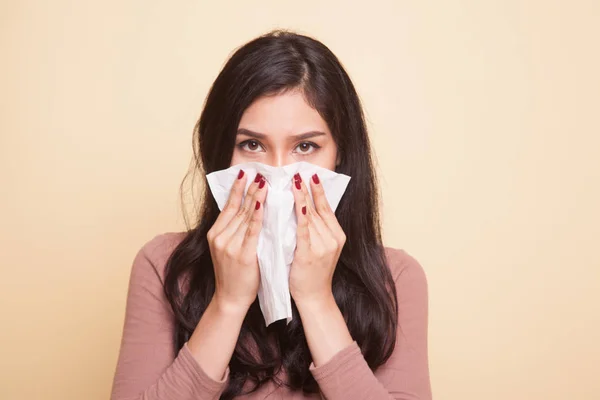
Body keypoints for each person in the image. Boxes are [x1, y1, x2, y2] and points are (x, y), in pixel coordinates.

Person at [110, 30, 431, 400]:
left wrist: (316, 300)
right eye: (252, 145)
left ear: (340, 154)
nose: (278, 172)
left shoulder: (395, 279)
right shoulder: (163, 265)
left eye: (305, 146)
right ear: (221, 153)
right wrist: (227, 304)